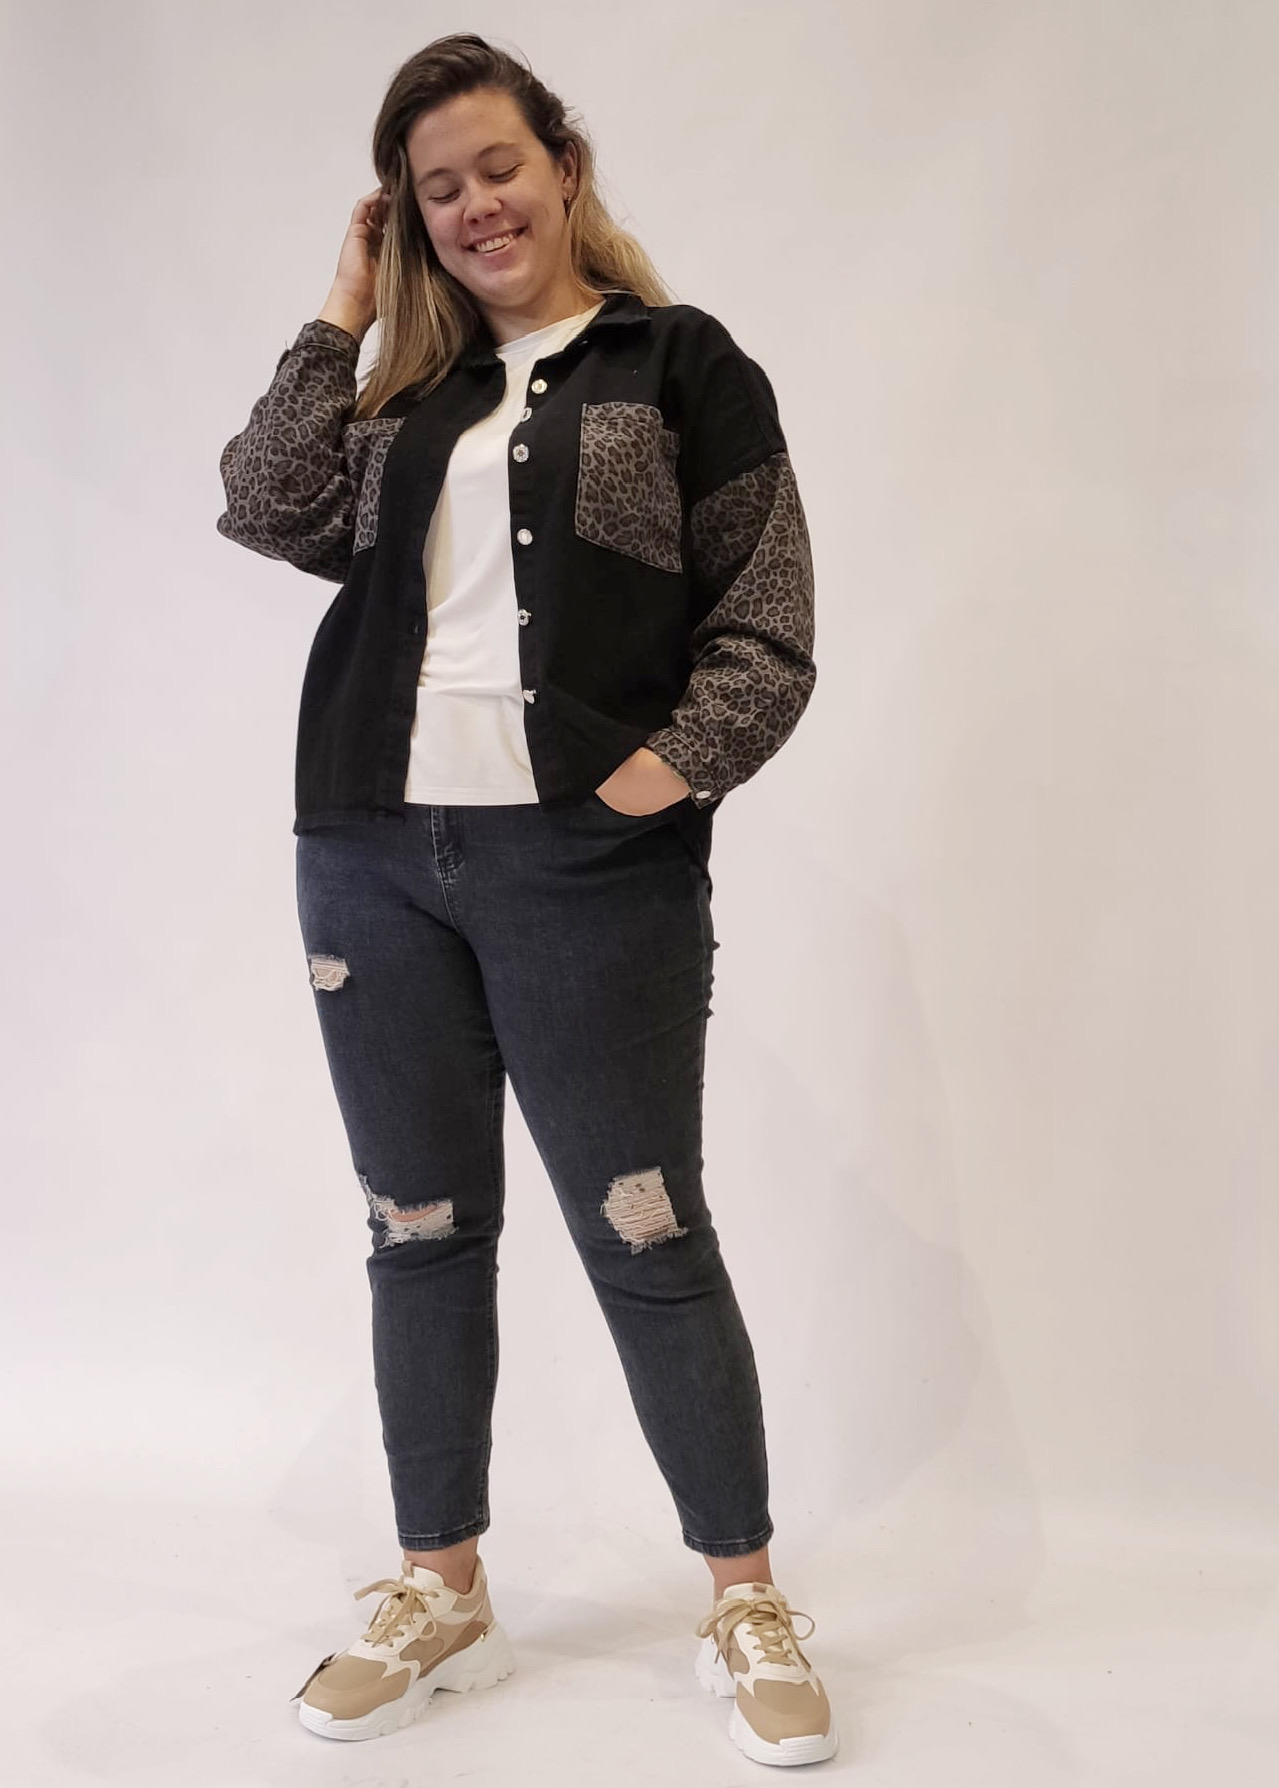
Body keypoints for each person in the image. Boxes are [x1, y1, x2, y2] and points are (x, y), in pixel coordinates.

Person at [216, 30, 835, 1770]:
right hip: (370, 856)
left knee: (646, 1228)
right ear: (407, 214)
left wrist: (657, 778)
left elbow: (769, 618)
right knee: (418, 1229)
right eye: (438, 188)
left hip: (587, 866)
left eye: (499, 165)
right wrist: (343, 310)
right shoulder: (402, 401)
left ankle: (744, 1595)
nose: (477, 204)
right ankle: (443, 1588)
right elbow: (261, 502)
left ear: (563, 164)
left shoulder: (679, 363)